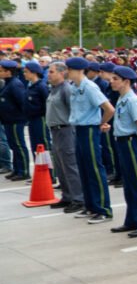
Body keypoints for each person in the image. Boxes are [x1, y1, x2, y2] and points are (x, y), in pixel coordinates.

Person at [105, 66, 137, 237]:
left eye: (115, 79)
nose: (111, 81)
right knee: (130, 185)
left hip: (132, 143)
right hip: (123, 143)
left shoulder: (133, 100)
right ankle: (133, 220)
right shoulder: (122, 98)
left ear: (126, 81)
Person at [65, 57, 113, 221]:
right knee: (84, 169)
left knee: (94, 170)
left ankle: (103, 209)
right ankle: (90, 205)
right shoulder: (74, 87)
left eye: (69, 69)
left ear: (79, 70)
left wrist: (100, 123)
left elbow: (109, 109)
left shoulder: (90, 87)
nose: (67, 72)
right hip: (79, 129)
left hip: (90, 129)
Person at [45, 62, 84, 213]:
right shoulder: (54, 89)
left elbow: (73, 111)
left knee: (70, 165)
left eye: (52, 72)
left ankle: (78, 198)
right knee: (60, 166)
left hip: (65, 130)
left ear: (62, 73)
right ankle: (67, 196)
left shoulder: (66, 89)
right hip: (55, 131)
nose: (49, 74)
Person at [0, 59, 29, 181]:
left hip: (16, 120)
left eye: (1, 71)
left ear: (8, 72)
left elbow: (22, 102)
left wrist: (20, 116)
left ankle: (24, 171)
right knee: (13, 145)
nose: (0, 72)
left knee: (19, 145)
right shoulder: (7, 83)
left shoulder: (15, 84)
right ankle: (17, 169)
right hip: (8, 120)